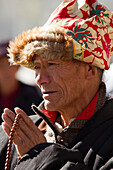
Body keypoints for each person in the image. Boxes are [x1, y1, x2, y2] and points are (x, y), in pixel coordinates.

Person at [1, 0, 113, 169]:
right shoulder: (18, 134)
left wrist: (41, 155)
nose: (40, 79)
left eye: (52, 64)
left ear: (89, 69)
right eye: (37, 66)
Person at [0, 41, 43, 124]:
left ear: (17, 66)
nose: (6, 70)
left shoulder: (32, 94)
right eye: (1, 65)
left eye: (10, 65)